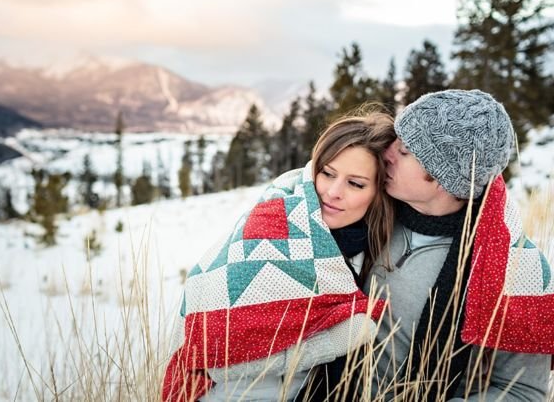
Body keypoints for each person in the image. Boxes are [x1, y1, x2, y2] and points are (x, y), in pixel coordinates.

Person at [305, 89, 554, 401]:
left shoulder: (515, 269)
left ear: (443, 177)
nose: (388, 153)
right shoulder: (368, 211)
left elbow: (523, 391)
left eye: (406, 150)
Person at [162, 109, 396, 401]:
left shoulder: (371, 245)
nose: (333, 192)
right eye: (327, 173)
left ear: (378, 192)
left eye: (355, 183)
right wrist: (346, 334)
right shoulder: (274, 222)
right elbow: (217, 359)